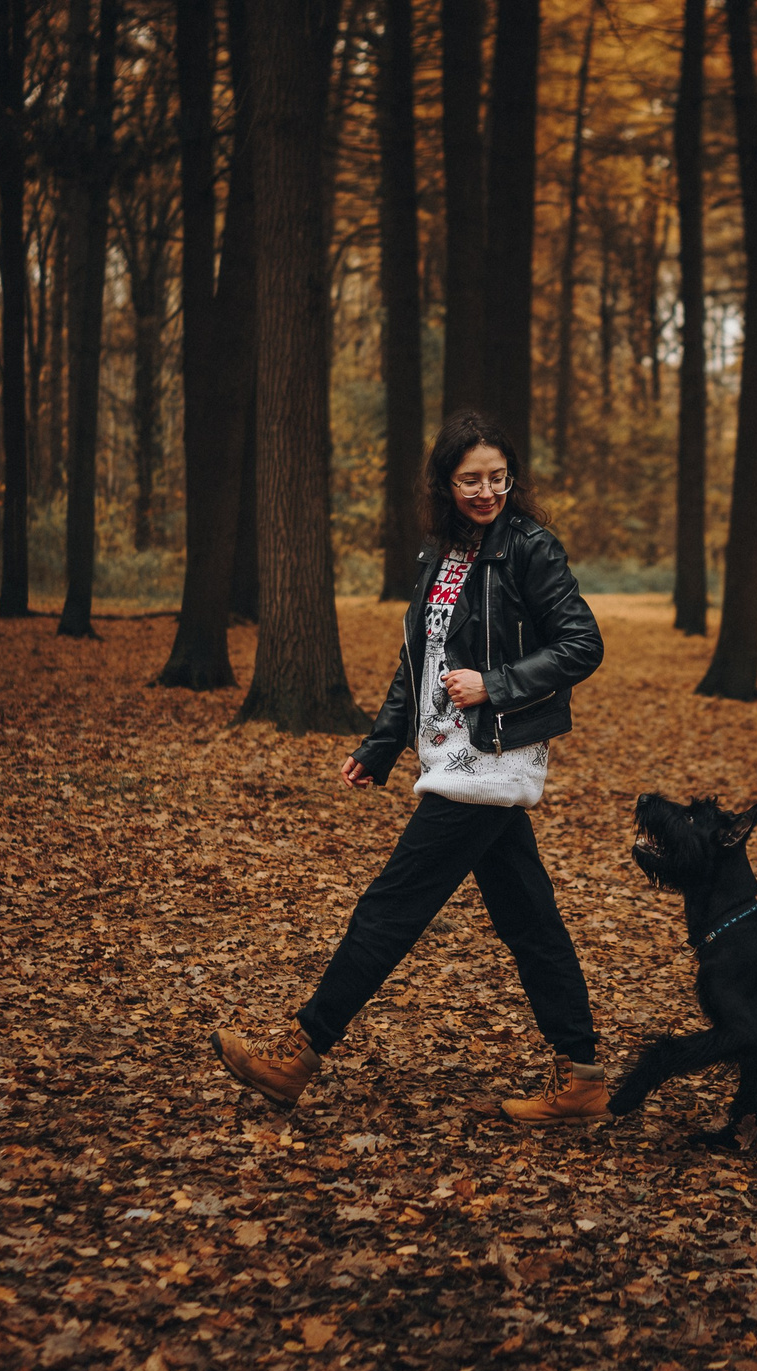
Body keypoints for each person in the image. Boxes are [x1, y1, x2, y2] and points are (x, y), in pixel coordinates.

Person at [212, 412, 610, 1123]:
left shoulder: (530, 548)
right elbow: (417, 662)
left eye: (497, 477)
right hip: (447, 745)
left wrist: (497, 682)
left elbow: (582, 642)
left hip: (489, 753)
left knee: (392, 906)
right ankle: (582, 1078)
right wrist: (382, 744)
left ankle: (298, 1055)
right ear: (445, 483)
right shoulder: (441, 553)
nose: (487, 490)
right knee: (530, 918)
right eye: (471, 479)